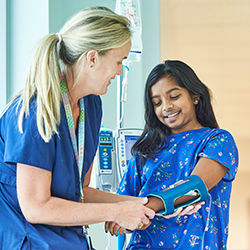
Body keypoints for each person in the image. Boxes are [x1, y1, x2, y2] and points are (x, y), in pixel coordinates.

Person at [0, 6, 156, 250]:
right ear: (92, 58)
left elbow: (81, 192)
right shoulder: (35, 112)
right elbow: (35, 207)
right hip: (27, 241)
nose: (119, 72)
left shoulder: (91, 106)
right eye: (118, 61)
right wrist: (115, 211)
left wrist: (143, 206)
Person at [106, 60, 238, 249]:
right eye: (157, 103)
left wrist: (146, 208)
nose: (166, 107)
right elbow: (124, 205)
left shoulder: (218, 141)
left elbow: (195, 188)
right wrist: (123, 221)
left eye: (174, 96)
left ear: (195, 96)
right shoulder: (144, 152)